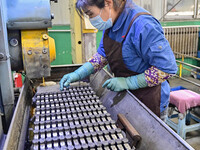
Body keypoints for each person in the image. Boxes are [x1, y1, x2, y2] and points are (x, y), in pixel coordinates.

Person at [60, 0, 177, 121]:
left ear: (108, 3)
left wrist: (129, 82)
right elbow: (102, 55)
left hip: (150, 98)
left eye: (90, 14)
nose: (91, 20)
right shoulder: (111, 22)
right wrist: (78, 73)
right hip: (127, 95)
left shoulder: (144, 25)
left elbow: (166, 69)